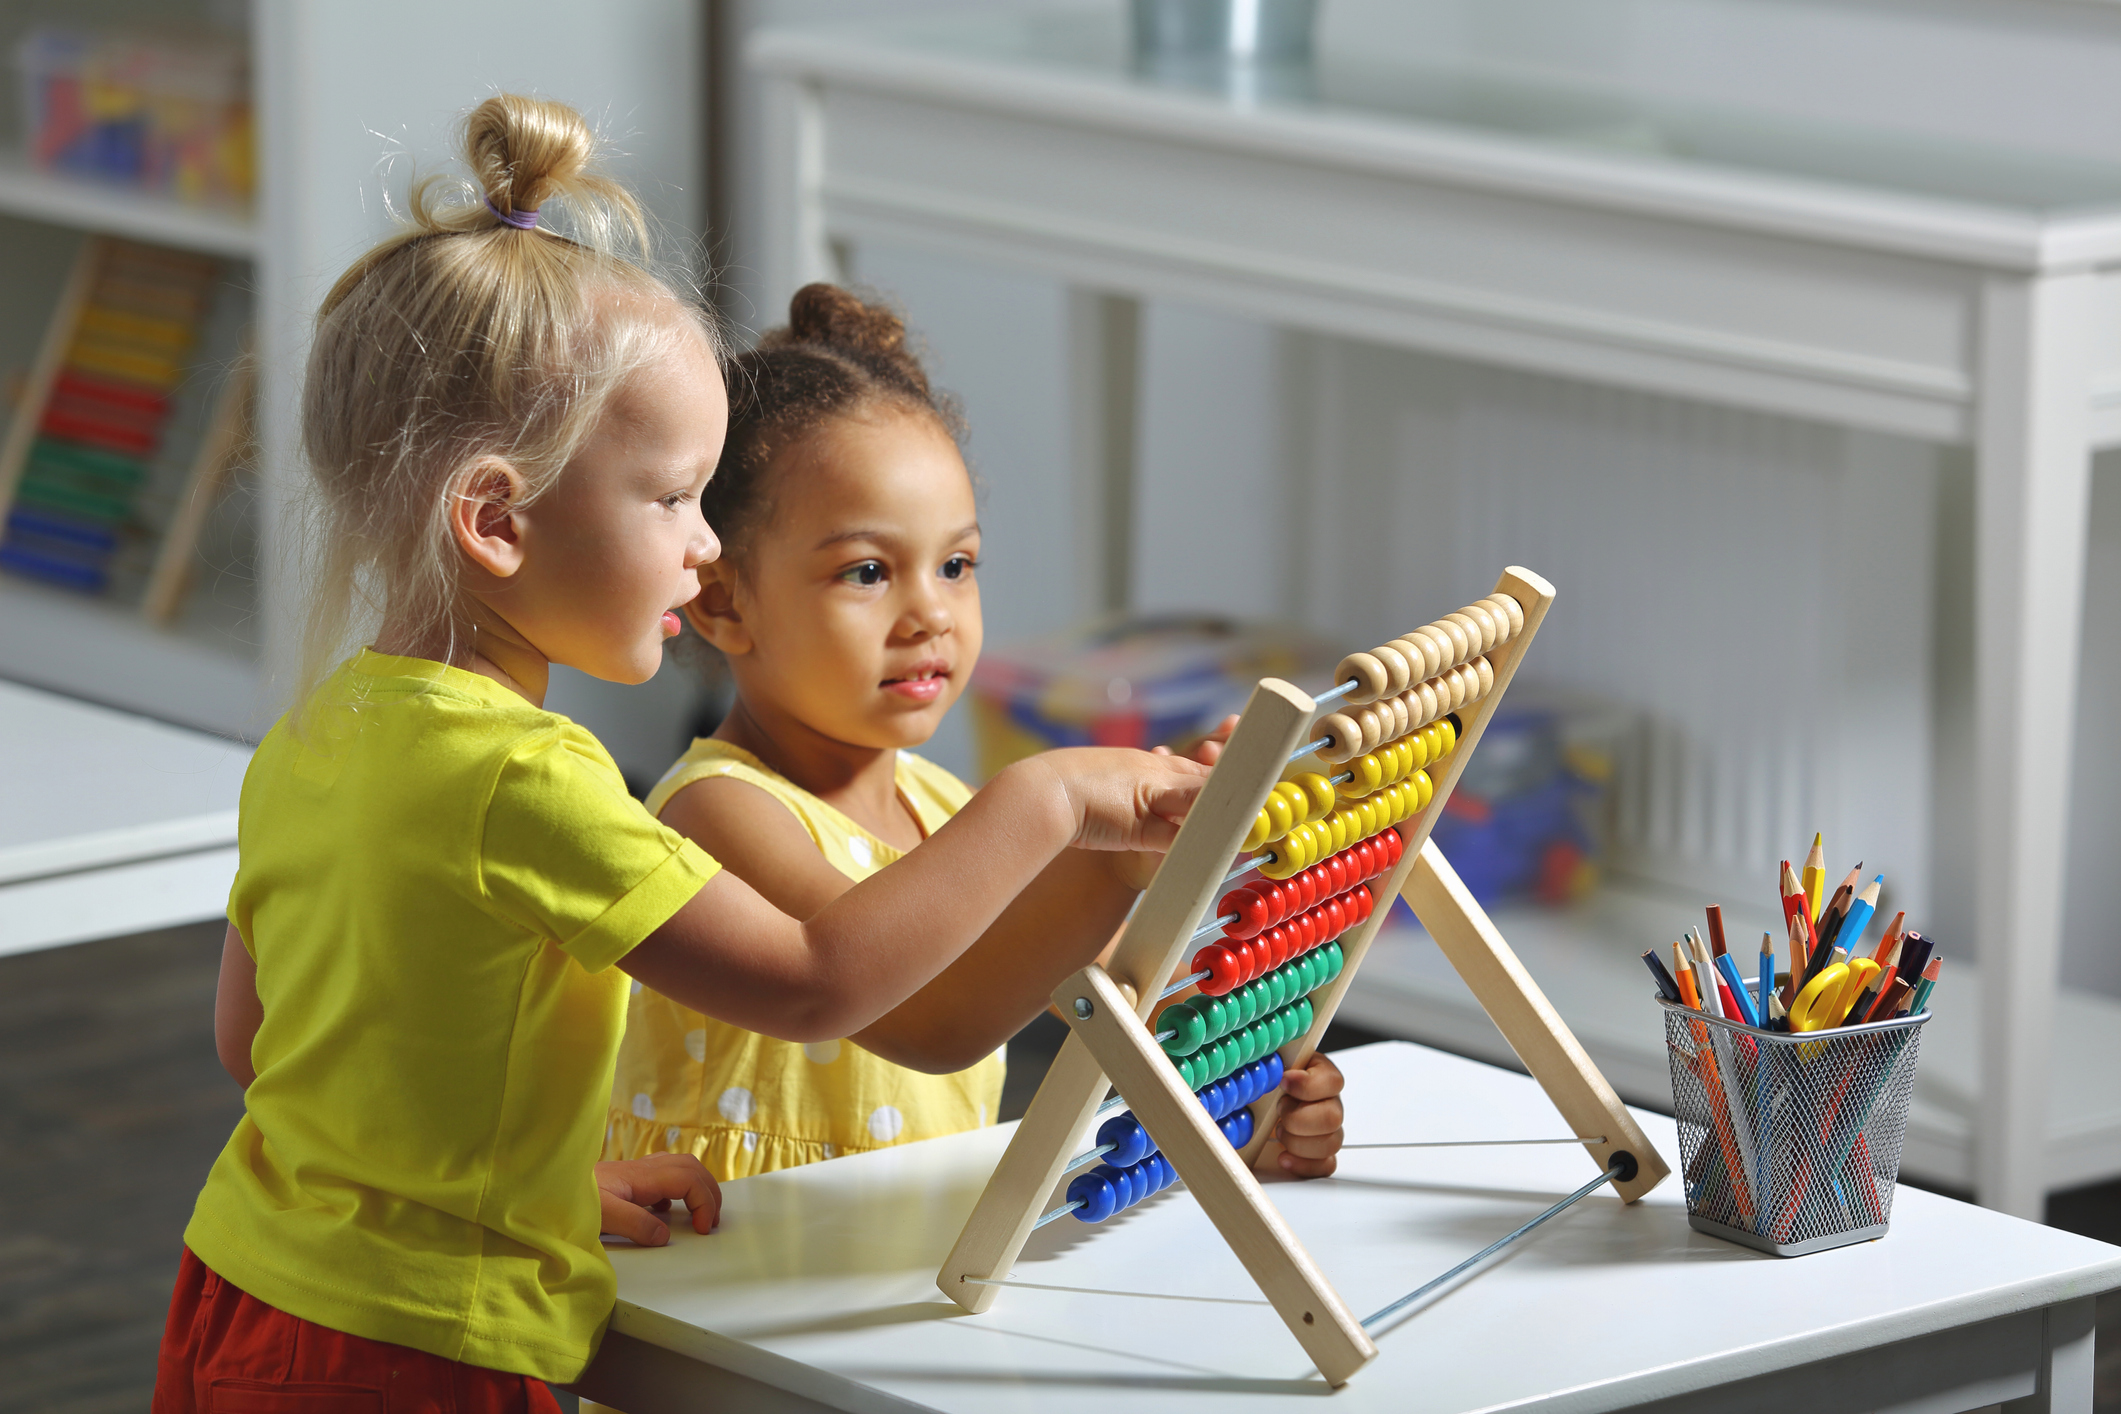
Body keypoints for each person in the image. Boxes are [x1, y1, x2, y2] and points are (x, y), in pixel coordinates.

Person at [153, 97, 1207, 1413]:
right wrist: (1048, 794)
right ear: (495, 520)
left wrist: (528, 1182)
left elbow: (261, 1044)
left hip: (246, 1289)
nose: (703, 547)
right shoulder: (526, 779)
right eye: (671, 500)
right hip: (412, 1352)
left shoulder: (318, 731)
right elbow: (823, 982)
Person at [604, 283, 1348, 1185]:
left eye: (957, 565)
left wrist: (1248, 1103)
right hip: (731, 1262)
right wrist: (1071, 821)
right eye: (869, 571)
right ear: (723, 602)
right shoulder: (716, 816)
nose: (931, 614)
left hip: (905, 1255)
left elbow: (1143, 1021)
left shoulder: (945, 811)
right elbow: (934, 1018)